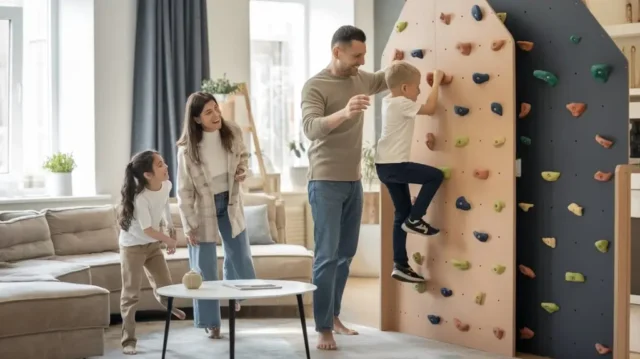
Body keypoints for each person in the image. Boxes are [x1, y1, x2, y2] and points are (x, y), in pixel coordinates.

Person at [301, 25, 387, 351]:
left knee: (345, 256)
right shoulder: (315, 86)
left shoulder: (361, 77)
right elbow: (311, 128)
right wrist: (346, 111)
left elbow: (388, 76)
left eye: (363, 55)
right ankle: (323, 328)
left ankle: (334, 316)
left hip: (354, 183)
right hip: (324, 182)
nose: (361, 62)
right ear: (337, 52)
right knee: (326, 257)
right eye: (356, 55)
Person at [176, 91, 257, 340]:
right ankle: (211, 322)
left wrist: (243, 171)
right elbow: (184, 191)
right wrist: (189, 225)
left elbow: (243, 157)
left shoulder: (232, 132)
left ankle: (234, 295)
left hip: (231, 201)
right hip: (204, 208)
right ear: (197, 119)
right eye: (208, 112)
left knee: (240, 255)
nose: (215, 115)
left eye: (216, 108)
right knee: (205, 268)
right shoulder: (186, 151)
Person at [375, 61, 445, 283]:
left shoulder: (388, 101)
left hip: (385, 166)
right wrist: (438, 83)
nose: (420, 90)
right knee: (435, 176)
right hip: (395, 166)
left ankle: (401, 265)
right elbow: (431, 108)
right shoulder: (401, 103)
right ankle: (416, 219)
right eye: (417, 87)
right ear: (405, 88)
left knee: (400, 214)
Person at [117, 149, 186, 355]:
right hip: (132, 247)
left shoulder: (166, 185)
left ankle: (168, 306)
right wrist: (169, 240)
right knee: (130, 295)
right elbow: (147, 229)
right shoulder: (140, 199)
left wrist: (169, 226)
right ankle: (128, 341)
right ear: (147, 175)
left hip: (152, 245)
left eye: (164, 163)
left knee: (165, 285)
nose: (166, 167)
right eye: (160, 165)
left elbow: (164, 203)